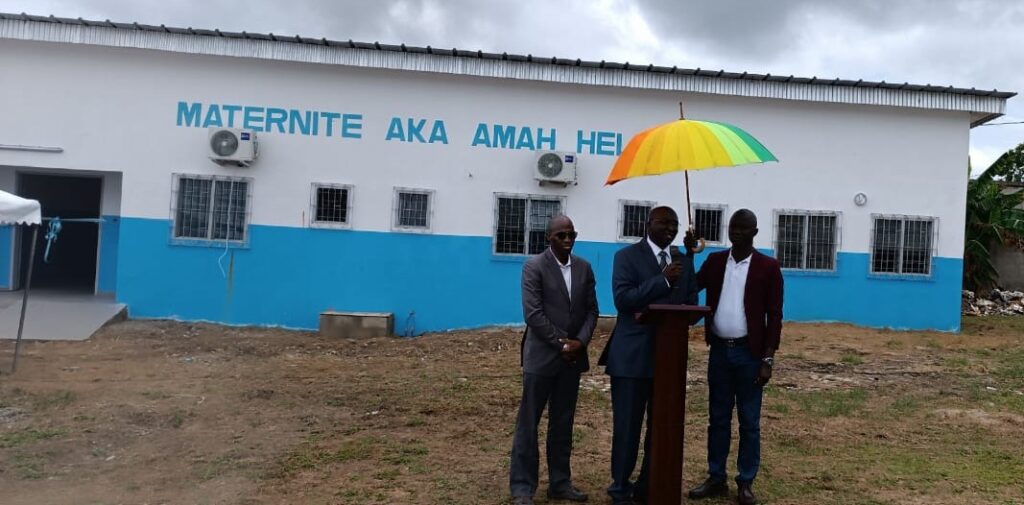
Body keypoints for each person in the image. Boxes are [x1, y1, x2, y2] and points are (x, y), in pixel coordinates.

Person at [598, 206, 698, 505]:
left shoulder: (683, 260)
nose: (670, 228)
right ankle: (620, 488)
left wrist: (687, 264)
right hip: (631, 359)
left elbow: (691, 305)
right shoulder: (626, 257)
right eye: (664, 223)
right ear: (648, 224)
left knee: (661, 427)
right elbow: (623, 300)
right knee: (627, 427)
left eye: (675, 224)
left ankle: (648, 484)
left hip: (669, 360)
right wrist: (663, 280)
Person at [685, 209, 783, 505]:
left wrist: (768, 360)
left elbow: (775, 316)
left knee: (749, 421)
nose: (736, 231)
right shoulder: (715, 262)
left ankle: (745, 481)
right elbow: (691, 287)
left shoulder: (768, 267)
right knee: (717, 418)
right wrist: (689, 255)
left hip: (749, 354)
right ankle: (716, 477)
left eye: (743, 227)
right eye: (733, 226)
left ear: (754, 232)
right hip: (719, 353)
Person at [510, 215, 599, 505]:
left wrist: (580, 342)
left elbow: (591, 312)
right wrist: (562, 343)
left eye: (572, 234)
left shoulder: (584, 268)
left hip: (571, 360)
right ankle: (523, 487)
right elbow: (533, 314)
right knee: (529, 423)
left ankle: (560, 482)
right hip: (542, 358)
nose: (568, 240)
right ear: (549, 237)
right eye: (561, 235)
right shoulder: (534, 267)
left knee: (562, 424)